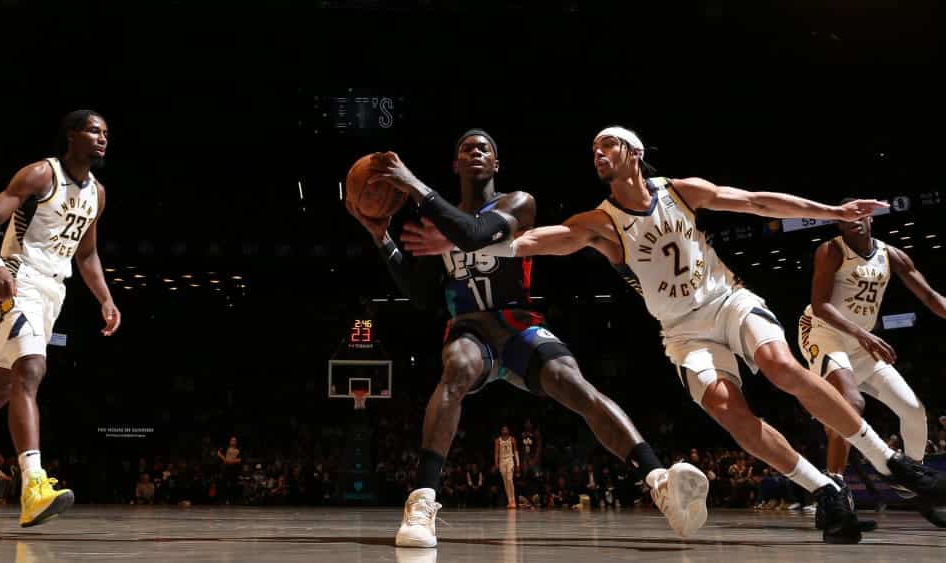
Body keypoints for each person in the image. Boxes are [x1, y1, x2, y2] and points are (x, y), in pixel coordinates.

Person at [399, 125, 946, 543]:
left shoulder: (681, 192)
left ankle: (890, 462)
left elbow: (757, 202)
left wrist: (831, 211)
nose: (598, 152)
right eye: (593, 149)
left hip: (728, 301)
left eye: (607, 144)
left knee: (780, 366)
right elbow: (534, 241)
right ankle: (824, 488)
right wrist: (463, 243)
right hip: (683, 332)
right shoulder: (600, 222)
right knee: (731, 413)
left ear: (634, 153)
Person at [348, 129, 709, 549]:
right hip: (470, 328)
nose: (476, 151)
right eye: (466, 148)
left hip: (518, 326)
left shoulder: (518, 203)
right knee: (457, 366)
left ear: (496, 164)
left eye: (485, 147)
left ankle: (659, 481)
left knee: (573, 383)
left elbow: (475, 233)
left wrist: (411, 183)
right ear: (456, 164)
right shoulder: (438, 219)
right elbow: (421, 295)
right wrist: (381, 237)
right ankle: (422, 501)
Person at [0, 109, 121, 530]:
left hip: (52, 292)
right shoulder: (42, 174)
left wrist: (106, 298)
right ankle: (34, 486)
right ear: (71, 135)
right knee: (31, 368)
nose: (102, 138)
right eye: (93, 130)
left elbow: (86, 254)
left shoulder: (97, 194)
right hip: (17, 279)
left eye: (106, 133)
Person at [799, 205, 946, 525]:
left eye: (859, 215)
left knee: (913, 410)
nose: (853, 220)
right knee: (850, 403)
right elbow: (820, 306)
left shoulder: (891, 255)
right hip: (824, 334)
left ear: (870, 218)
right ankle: (835, 490)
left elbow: (931, 298)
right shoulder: (831, 251)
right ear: (839, 225)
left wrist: (862, 338)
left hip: (861, 344)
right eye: (845, 217)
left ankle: (912, 482)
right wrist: (863, 334)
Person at [494, 425, 519, 509]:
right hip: (502, 461)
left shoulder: (512, 439)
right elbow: (496, 452)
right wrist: (496, 463)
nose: (505, 431)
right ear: (501, 431)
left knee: (509, 479)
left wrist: (518, 464)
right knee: (505, 481)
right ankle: (509, 501)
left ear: (508, 430)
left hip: (510, 459)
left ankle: (513, 500)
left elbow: (515, 451)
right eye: (503, 429)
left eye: (506, 429)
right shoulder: (498, 440)